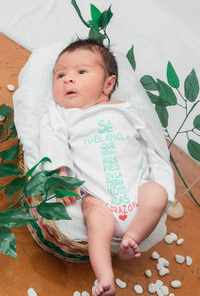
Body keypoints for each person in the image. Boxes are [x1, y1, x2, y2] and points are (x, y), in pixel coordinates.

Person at [40, 38, 172, 296]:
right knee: (94, 214)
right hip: (98, 197)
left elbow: (152, 145)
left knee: (157, 192)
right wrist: (61, 174)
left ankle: (132, 236)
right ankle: (105, 277)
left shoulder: (125, 110)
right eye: (60, 75)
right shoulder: (61, 114)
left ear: (108, 84)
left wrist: (160, 170)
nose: (68, 79)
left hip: (137, 190)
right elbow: (52, 141)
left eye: (81, 72)